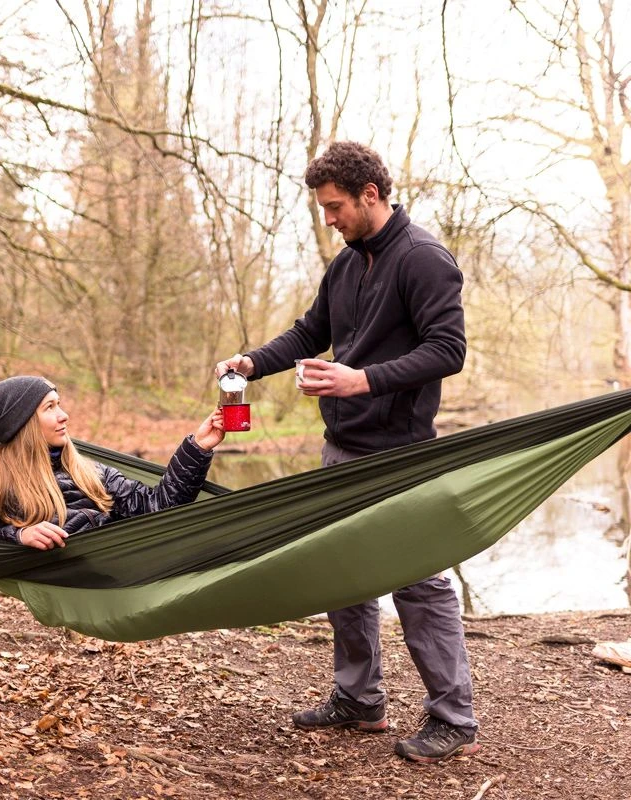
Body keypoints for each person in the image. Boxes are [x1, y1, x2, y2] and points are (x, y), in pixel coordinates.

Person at [215, 142, 479, 763]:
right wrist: (252, 363)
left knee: (419, 584)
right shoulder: (346, 263)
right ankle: (359, 700)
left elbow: (449, 350)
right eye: (323, 209)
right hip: (342, 449)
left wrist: (362, 378)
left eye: (335, 207)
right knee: (343, 575)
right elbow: (313, 332)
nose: (328, 219)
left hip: (402, 455)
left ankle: (453, 717)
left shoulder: (424, 260)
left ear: (370, 194)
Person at [0, 376, 224, 547]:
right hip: (55, 581)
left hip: (114, 576)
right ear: (22, 423)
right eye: (50, 408)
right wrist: (19, 537)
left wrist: (198, 447)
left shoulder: (89, 471)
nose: (64, 415)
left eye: (59, 404)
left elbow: (158, 508)